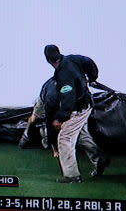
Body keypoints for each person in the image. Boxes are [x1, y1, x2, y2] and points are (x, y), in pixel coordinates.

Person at [44, 44, 109, 183]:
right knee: (81, 136)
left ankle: (72, 175)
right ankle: (100, 159)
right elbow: (89, 61)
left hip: (78, 109)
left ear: (48, 61)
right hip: (87, 104)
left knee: (65, 138)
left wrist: (60, 118)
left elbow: (68, 98)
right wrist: (92, 77)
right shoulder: (72, 59)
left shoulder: (63, 74)